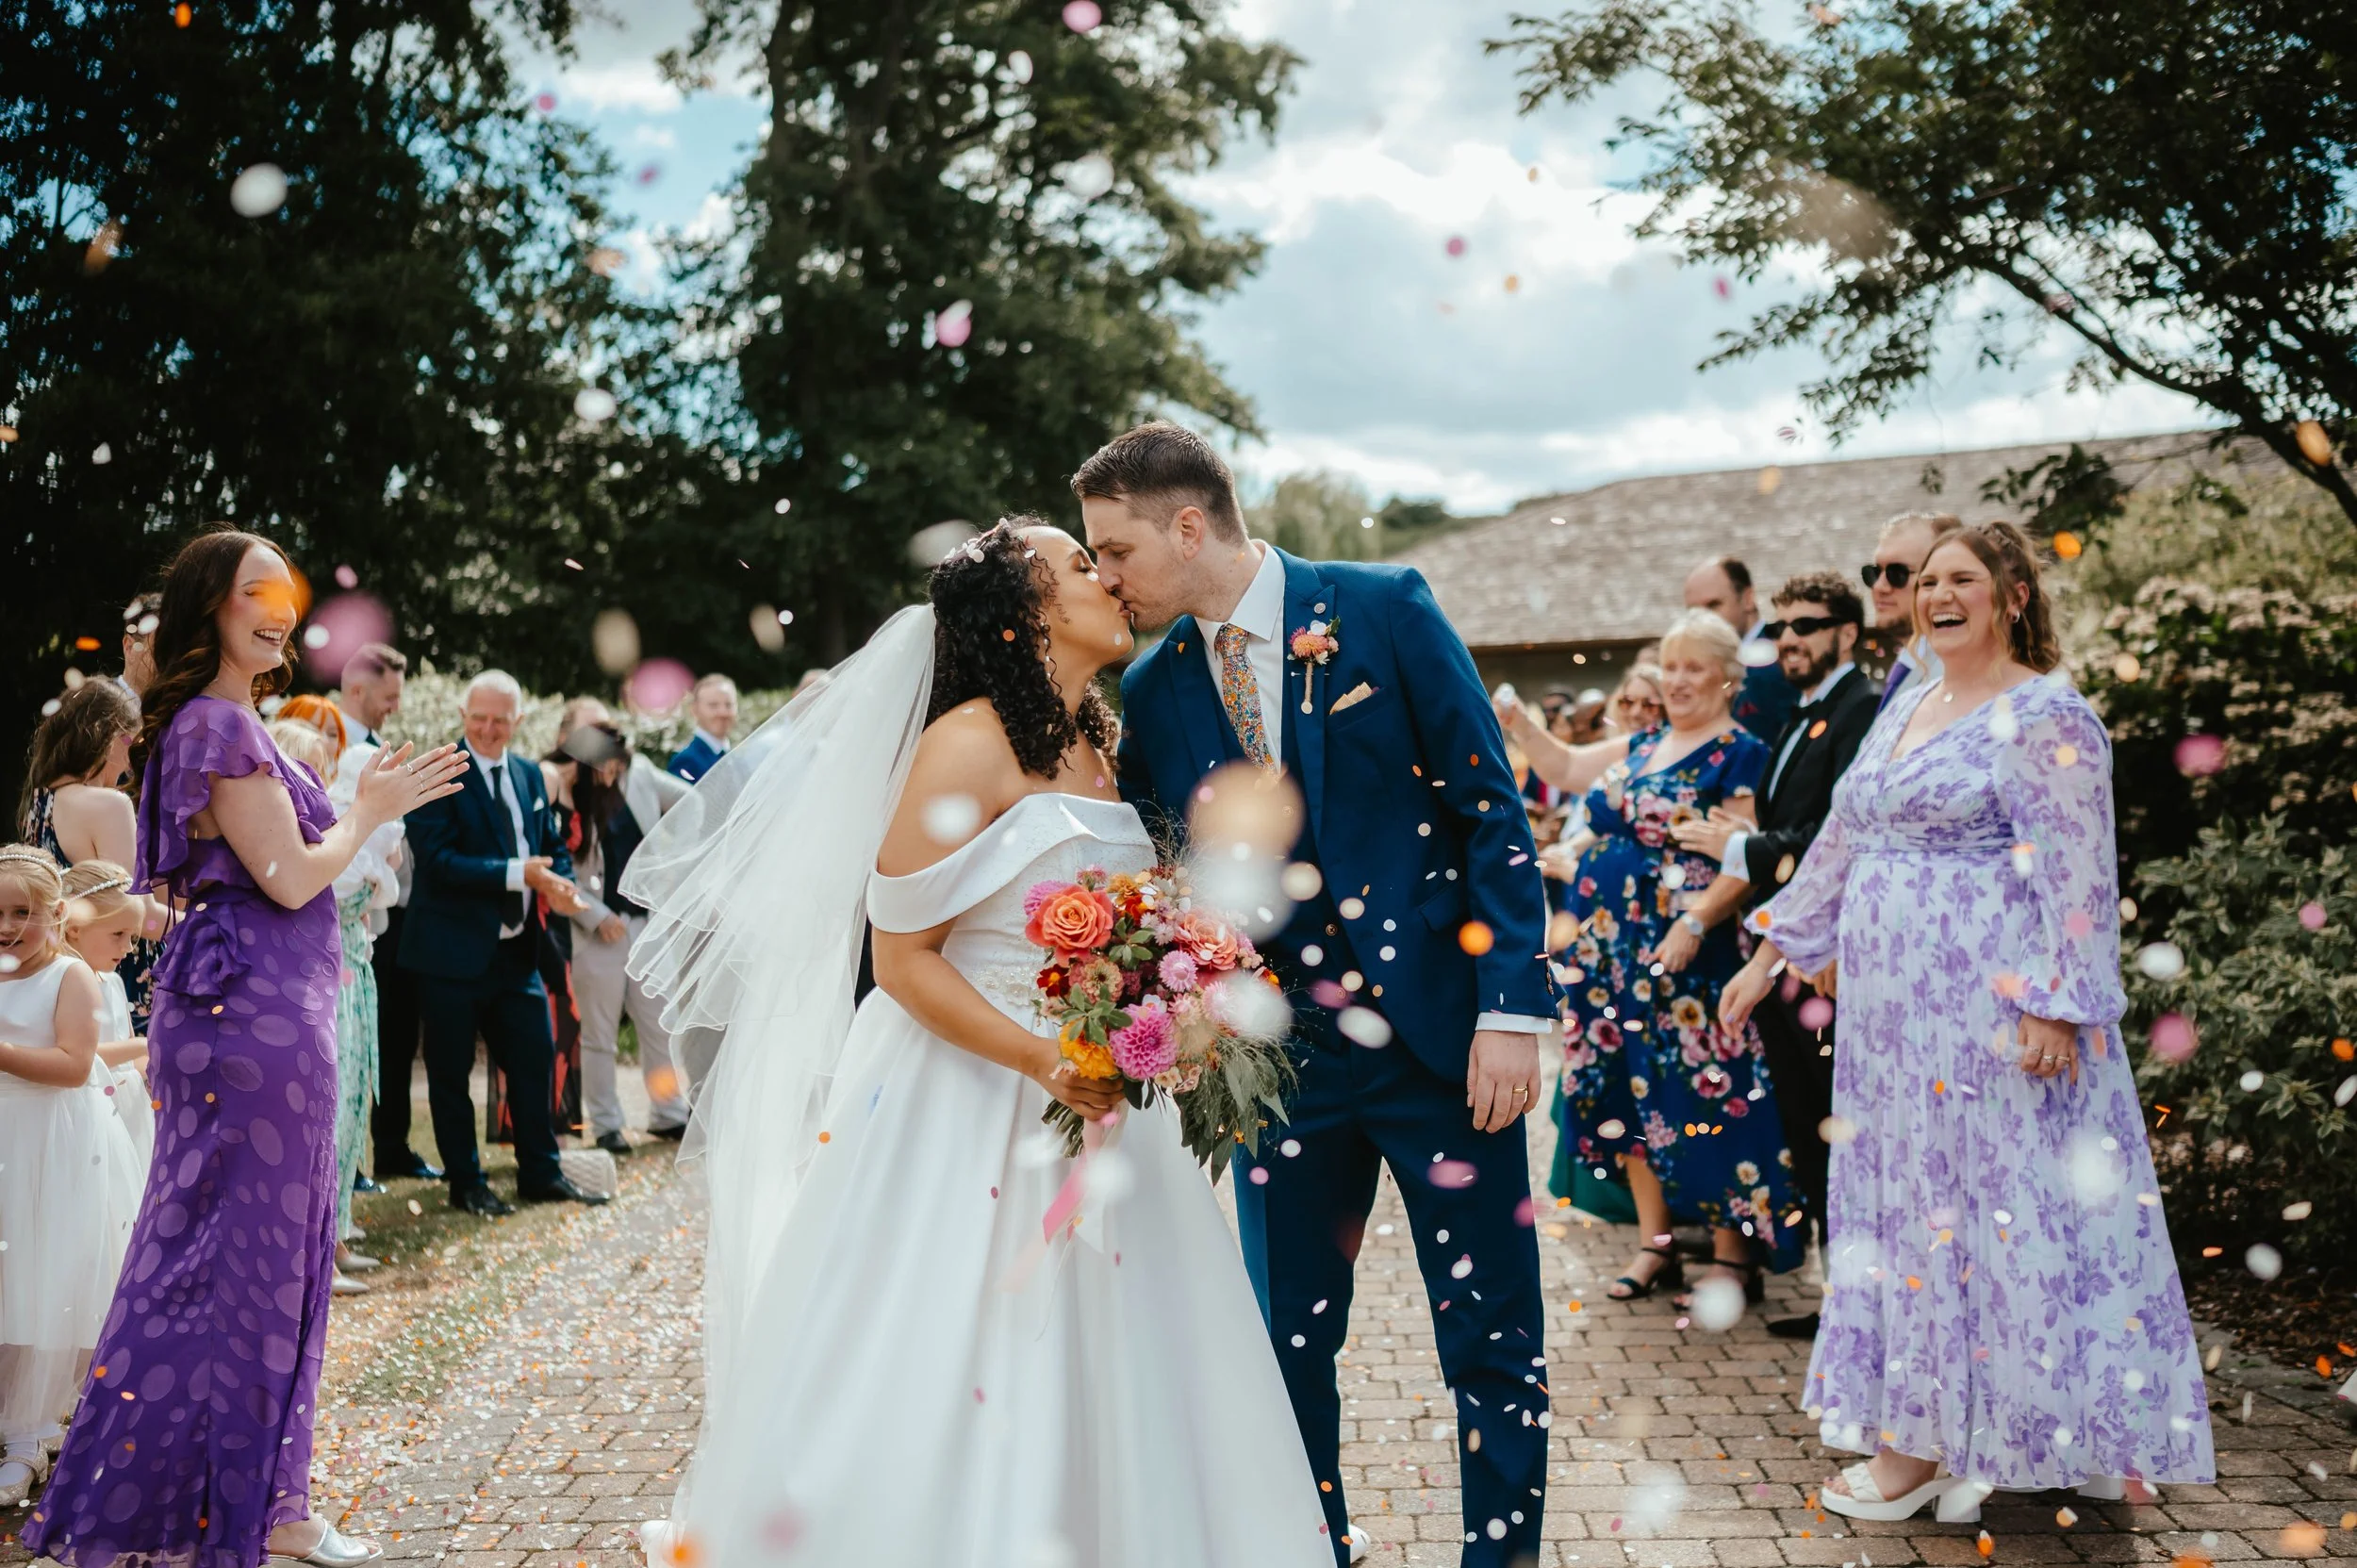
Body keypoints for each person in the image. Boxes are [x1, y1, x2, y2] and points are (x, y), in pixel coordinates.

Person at [622, 518, 1332, 1567]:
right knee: (953, 1346)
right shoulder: (964, 742)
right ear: (1029, 608)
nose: (1108, 579)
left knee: (1132, 1352)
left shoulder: (1100, 737)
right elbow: (903, 959)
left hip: (1101, 1103)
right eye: (1081, 564)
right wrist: (1043, 1057)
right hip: (971, 1101)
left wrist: (1169, 998)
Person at [1085, 422, 1555, 1568]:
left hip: (1443, 1045)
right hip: (1280, 1068)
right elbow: (1169, 872)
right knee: (1284, 1341)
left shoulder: (1383, 605)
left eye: (1114, 549)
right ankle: (1314, 1548)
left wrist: (1510, 1010)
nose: (1104, 576)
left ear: (1188, 525)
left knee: (1490, 1336)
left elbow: (1487, 808)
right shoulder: (1152, 690)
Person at [1720, 520, 2215, 1522]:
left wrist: (2055, 1004)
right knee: (1908, 1211)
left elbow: (2079, 876)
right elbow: (1840, 838)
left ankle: (1991, 1435)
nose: (1935, 595)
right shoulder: (1908, 697)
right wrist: (1774, 947)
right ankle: (1931, 1427)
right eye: (1922, 580)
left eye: (1961, 580)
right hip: (1889, 1027)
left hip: (1992, 1020)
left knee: (2002, 1216)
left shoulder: (2045, 713)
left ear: (2013, 595)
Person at [24, 526, 468, 1568]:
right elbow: (294, 876)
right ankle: (219, 1507)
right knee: (238, 1269)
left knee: (281, 1259)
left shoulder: (233, 720)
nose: (279, 605)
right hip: (249, 1022)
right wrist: (365, 812)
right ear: (210, 609)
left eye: (286, 589)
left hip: (266, 1013)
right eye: (254, 590)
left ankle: (272, 1499)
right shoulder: (217, 726)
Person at [1497, 608, 1803, 1319]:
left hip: (1683, 955)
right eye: (1671, 665)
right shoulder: (1642, 745)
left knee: (1707, 1093)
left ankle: (1733, 1254)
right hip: (1609, 957)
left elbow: (1744, 859)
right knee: (1626, 1097)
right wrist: (1518, 722)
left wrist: (1696, 921)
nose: (1678, 680)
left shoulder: (1740, 752)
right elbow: (1566, 769)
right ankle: (1655, 1240)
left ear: (1728, 677)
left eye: (1695, 666)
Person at [1668, 572, 1878, 1339]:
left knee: (1833, 1125)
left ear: (1847, 633)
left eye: (1808, 625)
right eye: (1782, 627)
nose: (1789, 638)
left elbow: (1830, 838)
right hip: (1788, 949)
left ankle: (1855, 1304)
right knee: (1806, 1124)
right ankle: (1840, 1299)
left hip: (1829, 959)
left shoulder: (1861, 711)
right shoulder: (1802, 714)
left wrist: (1731, 842)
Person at [399, 670, 606, 1216]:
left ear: (518, 722)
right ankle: (466, 1182)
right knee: (450, 1074)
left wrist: (560, 883)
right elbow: (439, 863)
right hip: (449, 954)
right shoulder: (437, 773)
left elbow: (551, 845)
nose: (488, 729)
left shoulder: (530, 776)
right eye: (479, 719)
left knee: (535, 1059)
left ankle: (541, 1172)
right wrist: (523, 875)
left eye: (500, 720)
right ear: (464, 718)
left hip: (517, 953)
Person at [0, 848, 145, 1511]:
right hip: (6, 1139)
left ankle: (43, 1428)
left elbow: (72, 1062)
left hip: (56, 1142)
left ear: (57, 917)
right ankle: (17, 1426)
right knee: (9, 1278)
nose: (8, 925)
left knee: (50, 1274)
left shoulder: (70, 977)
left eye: (23, 912)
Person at [276, 698, 404, 1287]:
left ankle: (338, 1238)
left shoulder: (334, 831)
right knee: (325, 1120)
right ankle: (317, 1254)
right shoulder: (299, 840)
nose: (321, 784)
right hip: (326, 985)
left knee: (352, 1112)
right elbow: (353, 890)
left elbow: (385, 890)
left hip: (355, 977)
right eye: (312, 770)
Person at [551, 713, 691, 1154]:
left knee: (658, 1025)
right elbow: (558, 868)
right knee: (600, 1034)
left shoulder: (642, 774)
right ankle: (608, 1124)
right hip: (598, 931)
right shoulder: (567, 794)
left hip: (646, 923)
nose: (612, 772)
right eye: (604, 765)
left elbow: (695, 802)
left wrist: (675, 863)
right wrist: (594, 915)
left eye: (616, 763)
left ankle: (668, 1113)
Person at [19, 679, 169, 1028]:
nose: (132, 760)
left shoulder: (39, 803)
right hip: (123, 979)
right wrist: (211, 922)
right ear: (105, 736)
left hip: (62, 976)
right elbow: (139, 917)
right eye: (130, 740)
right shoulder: (108, 805)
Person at [60, 859, 160, 1170]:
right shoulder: (64, 982)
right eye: (118, 934)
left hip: (129, 1109)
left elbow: (128, 1049)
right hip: (89, 1112)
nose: (129, 947)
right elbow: (81, 1054)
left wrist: (151, 1074)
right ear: (75, 927)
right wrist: (145, 1045)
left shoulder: (114, 982)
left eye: (132, 936)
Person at [1684, 553, 1795, 740]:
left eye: (1713, 605)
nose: (1704, 619)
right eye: (1694, 612)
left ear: (1747, 599)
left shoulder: (1782, 661)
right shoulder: (1697, 672)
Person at [1861, 512, 1961, 711]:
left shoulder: (1952, 675)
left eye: (1897, 574)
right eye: (1874, 572)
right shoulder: (1908, 664)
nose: (1879, 587)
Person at [667, 673, 738, 781]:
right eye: (713, 705)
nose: (723, 712)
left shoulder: (738, 758)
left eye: (729, 705)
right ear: (695, 710)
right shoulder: (686, 761)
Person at [335, 642, 406, 748]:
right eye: (390, 698)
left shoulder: (377, 743)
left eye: (398, 698)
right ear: (357, 692)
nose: (396, 708)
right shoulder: (326, 750)